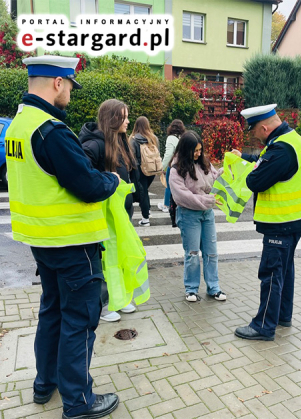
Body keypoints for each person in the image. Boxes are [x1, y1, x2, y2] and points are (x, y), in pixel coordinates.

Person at [6, 55, 120, 419]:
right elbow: (88, 184)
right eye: (70, 85)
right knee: (79, 319)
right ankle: (78, 401)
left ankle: (45, 384)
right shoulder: (50, 131)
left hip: (42, 242)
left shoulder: (18, 126)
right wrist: (113, 181)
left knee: (52, 313)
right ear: (57, 82)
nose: (70, 93)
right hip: (73, 244)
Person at [232, 104, 301, 341]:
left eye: (255, 132)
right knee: (285, 269)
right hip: (297, 219)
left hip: (282, 222)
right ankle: (282, 315)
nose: (254, 137)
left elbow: (255, 180)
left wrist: (248, 169)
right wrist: (247, 158)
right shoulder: (290, 139)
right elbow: (265, 161)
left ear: (264, 127)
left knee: (271, 273)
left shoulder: (281, 150)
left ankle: (263, 326)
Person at [79, 98, 137, 322]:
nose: (127, 121)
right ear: (112, 119)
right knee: (104, 260)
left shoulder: (122, 142)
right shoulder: (93, 145)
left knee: (119, 256)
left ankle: (119, 299)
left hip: (121, 213)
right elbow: (84, 179)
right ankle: (103, 304)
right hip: (104, 216)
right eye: (123, 117)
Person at [169, 131, 227, 302]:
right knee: (192, 253)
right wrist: (206, 199)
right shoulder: (176, 170)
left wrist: (226, 169)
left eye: (200, 150)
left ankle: (214, 287)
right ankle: (191, 289)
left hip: (207, 213)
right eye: (194, 151)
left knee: (211, 252)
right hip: (188, 215)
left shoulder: (204, 163)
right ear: (185, 150)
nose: (198, 154)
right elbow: (182, 196)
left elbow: (214, 178)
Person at [129, 116, 161, 226]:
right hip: (152, 169)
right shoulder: (154, 138)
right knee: (145, 190)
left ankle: (145, 218)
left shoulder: (133, 139)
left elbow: (131, 156)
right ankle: (148, 210)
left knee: (142, 192)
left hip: (139, 169)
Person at [159, 119, 184, 213]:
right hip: (183, 164)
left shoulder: (171, 138)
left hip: (173, 165)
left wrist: (161, 166)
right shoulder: (182, 137)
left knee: (169, 185)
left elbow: (168, 154)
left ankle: (166, 205)